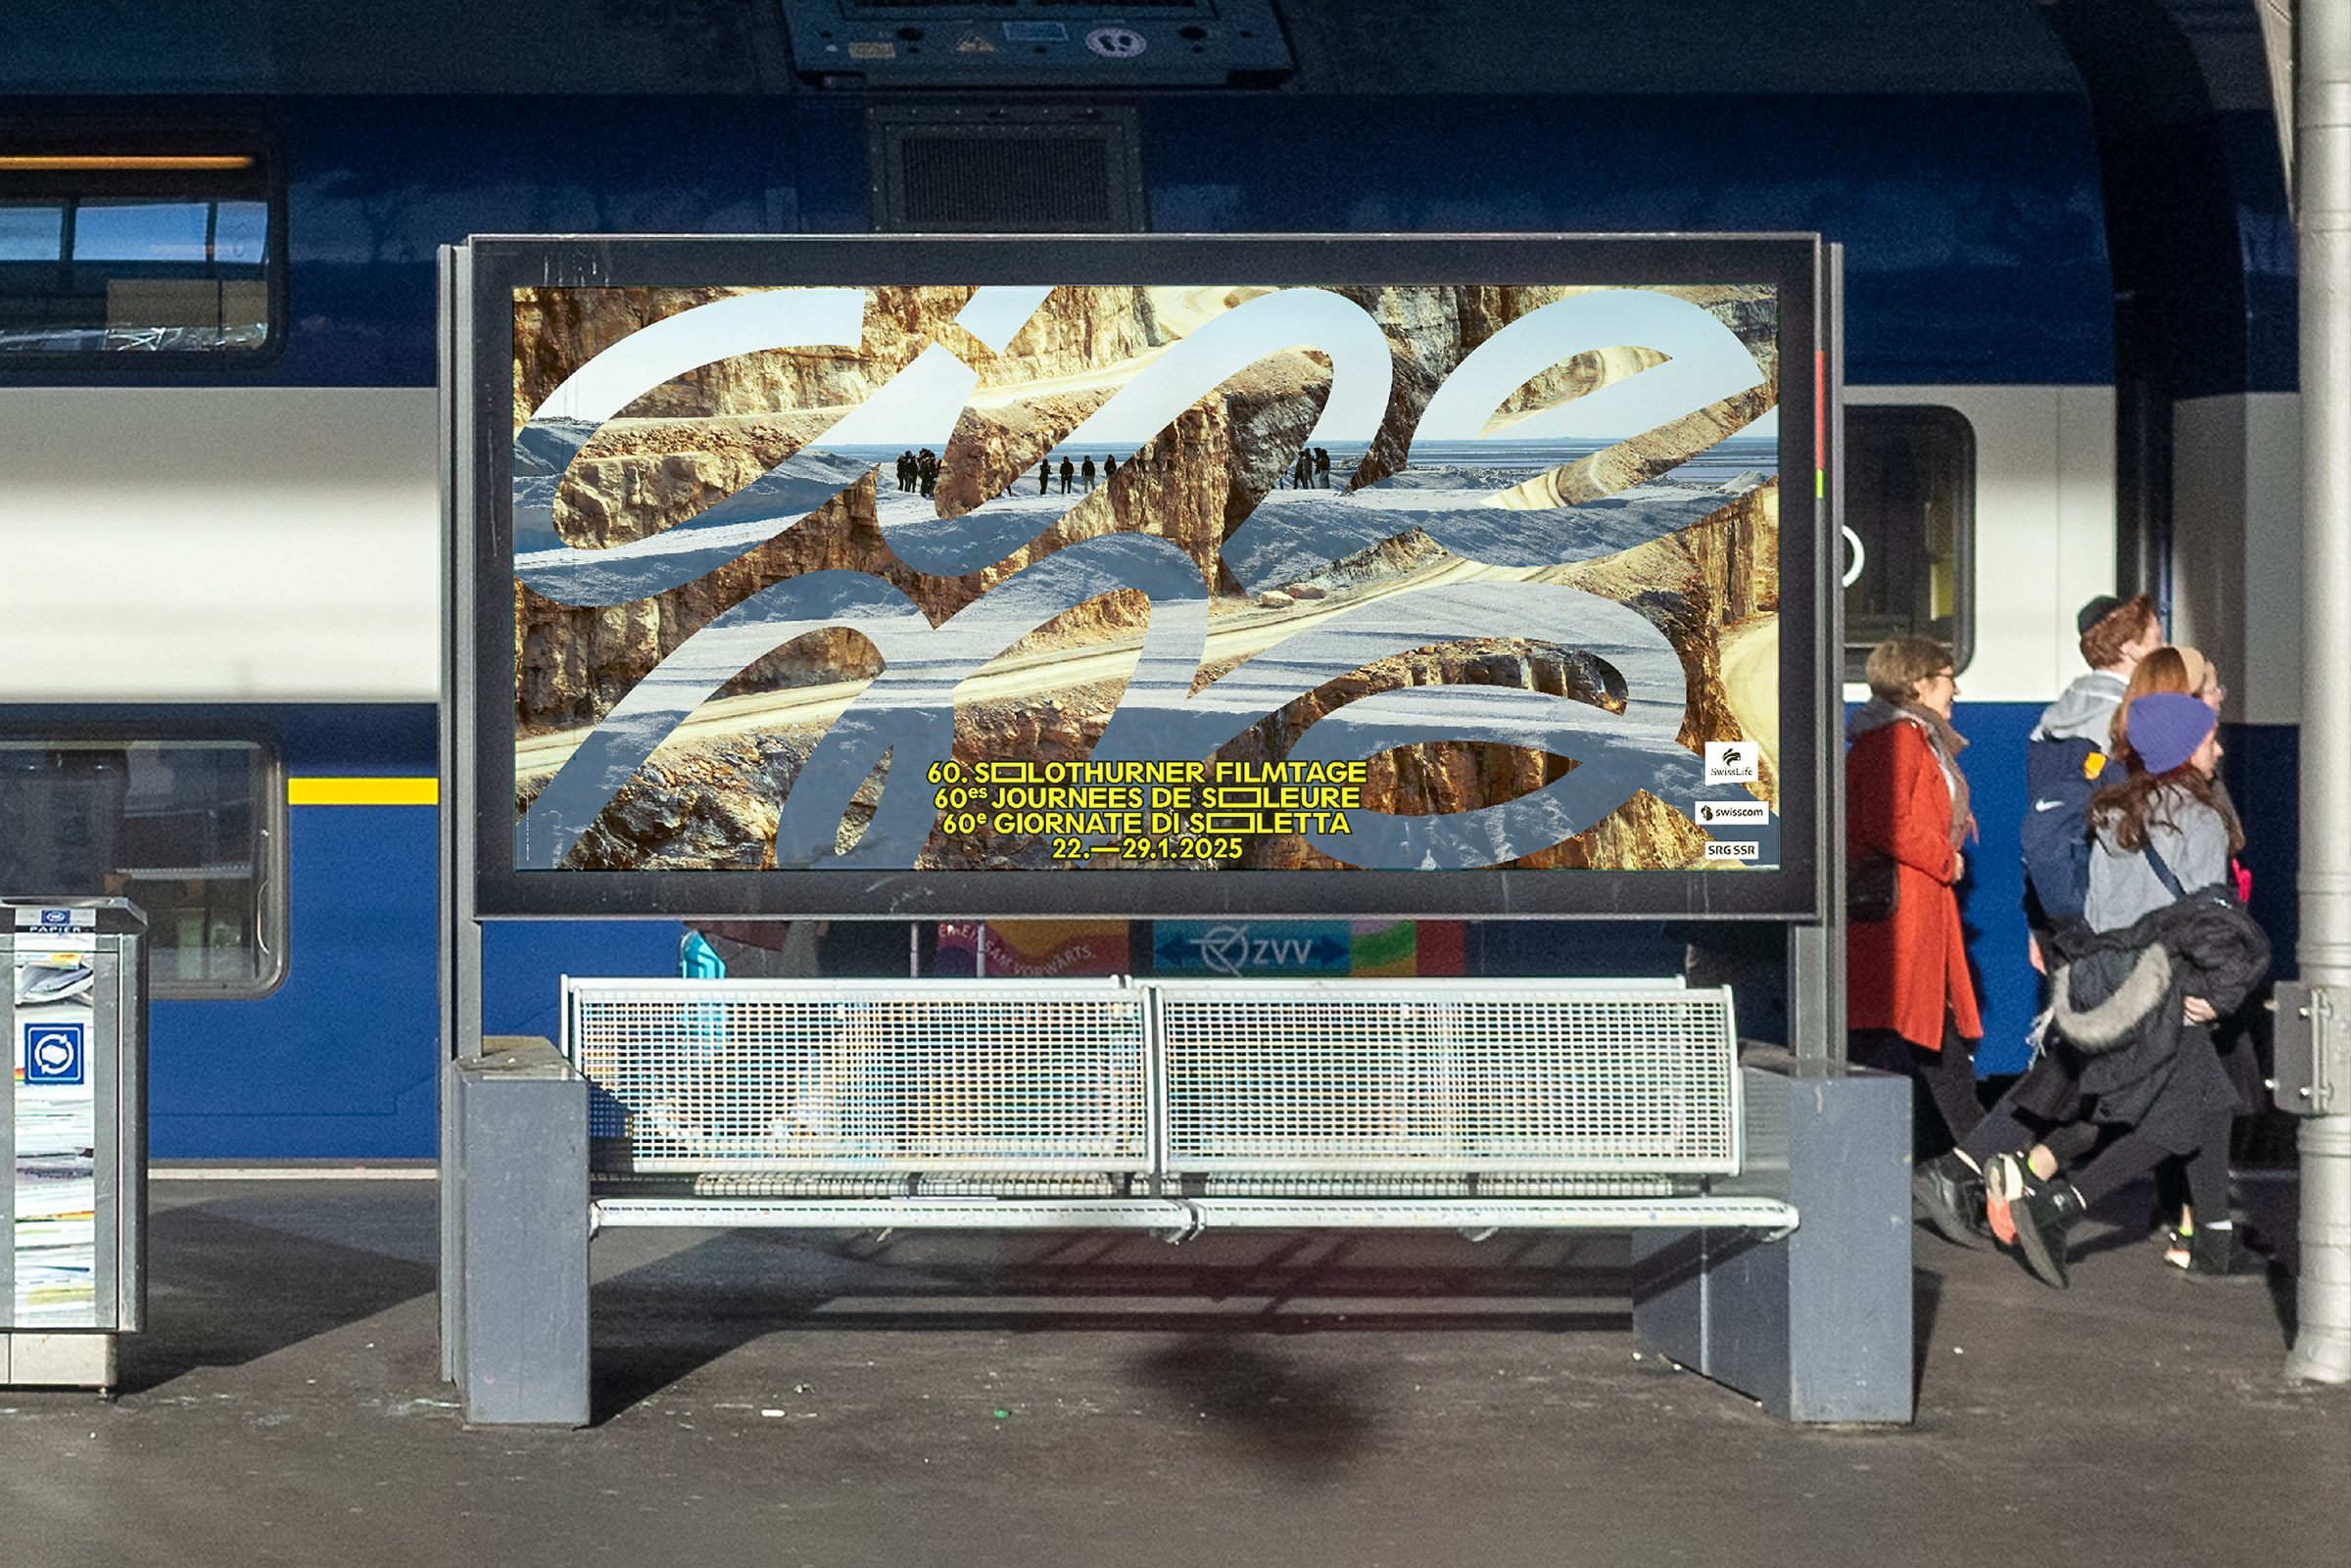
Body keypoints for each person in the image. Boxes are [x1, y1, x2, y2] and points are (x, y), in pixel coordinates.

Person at [1927, 693, 2270, 1286]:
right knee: (2190, 1110)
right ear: (2187, 748)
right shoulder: (2199, 816)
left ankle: (2213, 1241)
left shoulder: (2112, 811)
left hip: (2106, 980)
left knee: (2202, 1102)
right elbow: (2211, 918)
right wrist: (2219, 992)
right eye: (2210, 737)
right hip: (2166, 981)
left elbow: (2097, 908)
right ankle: (2059, 1207)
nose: (2219, 748)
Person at [1847, 635, 1985, 1158]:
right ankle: (1984, 1173)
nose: (1956, 689)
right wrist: (1946, 859)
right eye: (1949, 677)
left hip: (1910, 914)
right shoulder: (1900, 737)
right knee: (1928, 1045)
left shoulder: (1903, 734)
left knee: (1920, 1045)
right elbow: (1889, 823)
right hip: (1901, 920)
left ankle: (1977, 1171)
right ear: (1920, 683)